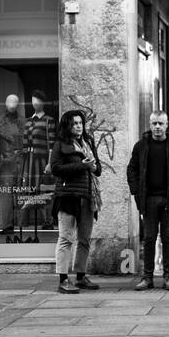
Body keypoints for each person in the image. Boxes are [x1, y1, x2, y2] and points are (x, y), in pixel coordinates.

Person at [127, 110, 169, 291]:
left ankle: (168, 276)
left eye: (161, 123)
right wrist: (136, 191)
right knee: (150, 238)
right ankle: (148, 277)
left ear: (167, 125)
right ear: (150, 125)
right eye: (154, 123)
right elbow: (132, 169)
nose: (157, 127)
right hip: (149, 199)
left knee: (168, 238)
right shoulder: (141, 146)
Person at [50, 109, 102, 293]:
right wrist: (82, 165)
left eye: (80, 123)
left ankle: (80, 276)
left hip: (87, 197)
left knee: (84, 239)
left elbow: (98, 170)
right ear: (67, 126)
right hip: (67, 197)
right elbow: (55, 168)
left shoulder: (88, 142)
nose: (78, 126)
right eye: (74, 124)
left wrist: (94, 166)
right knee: (65, 238)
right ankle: (63, 279)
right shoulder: (60, 144)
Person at [0, 94, 24, 239]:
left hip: (19, 161)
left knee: (20, 192)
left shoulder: (22, 121)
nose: (12, 104)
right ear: (5, 103)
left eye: (15, 102)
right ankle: (5, 224)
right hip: (6, 163)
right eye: (10, 101)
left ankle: (19, 223)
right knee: (6, 193)